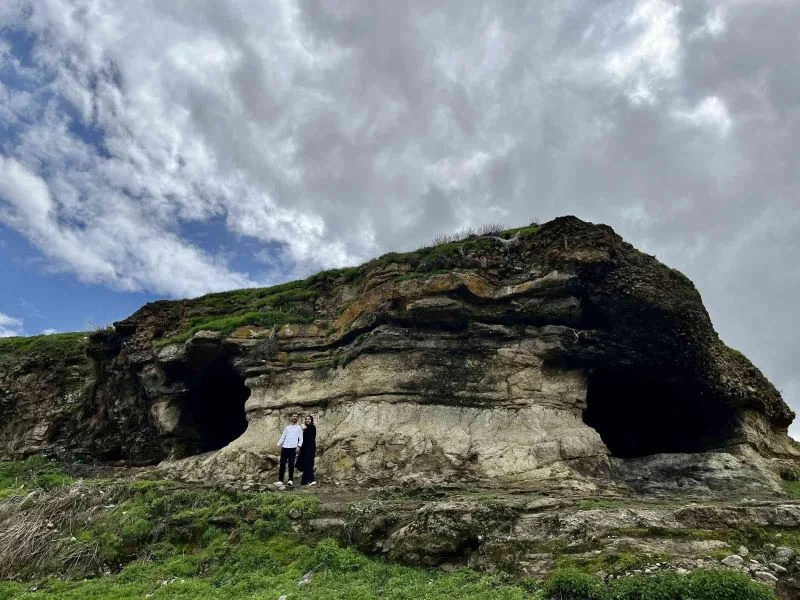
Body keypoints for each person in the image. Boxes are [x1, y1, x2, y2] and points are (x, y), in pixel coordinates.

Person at [275, 413, 303, 487]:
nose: (295, 418)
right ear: (291, 417)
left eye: (296, 417)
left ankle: (290, 480)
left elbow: (301, 439)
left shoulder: (299, 428)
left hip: (293, 448)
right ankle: (280, 480)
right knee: (282, 464)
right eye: (294, 416)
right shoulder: (288, 427)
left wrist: (299, 446)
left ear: (297, 418)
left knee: (291, 464)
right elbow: (283, 437)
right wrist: (278, 444)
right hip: (284, 447)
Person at [298, 414, 317, 486]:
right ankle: (304, 482)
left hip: (311, 447)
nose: (307, 420)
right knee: (306, 464)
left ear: (311, 420)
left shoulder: (313, 427)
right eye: (306, 419)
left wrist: (304, 429)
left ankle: (311, 480)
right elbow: (301, 438)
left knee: (309, 463)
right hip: (304, 448)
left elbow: (311, 436)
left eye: (309, 419)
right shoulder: (303, 428)